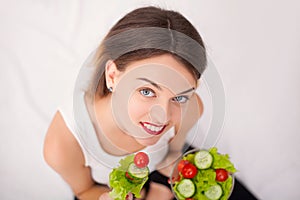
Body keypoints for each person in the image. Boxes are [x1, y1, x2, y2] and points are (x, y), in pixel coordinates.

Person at [43, 6, 207, 200]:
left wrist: (164, 179)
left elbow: (174, 150)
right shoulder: (64, 144)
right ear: (113, 76)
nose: (163, 116)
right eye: (147, 91)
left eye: (179, 97)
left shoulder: (190, 108)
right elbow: (84, 191)